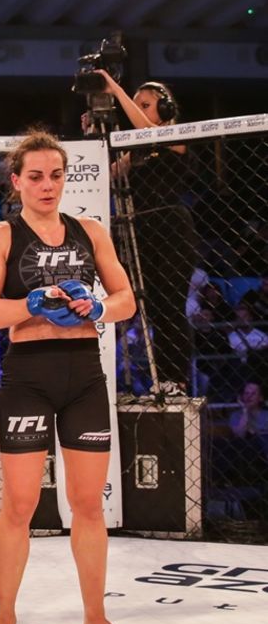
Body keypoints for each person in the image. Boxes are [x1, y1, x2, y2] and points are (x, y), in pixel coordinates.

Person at [0, 129, 136, 624]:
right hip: (29, 376)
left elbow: (127, 297)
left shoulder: (89, 231)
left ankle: (96, 618)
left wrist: (98, 307)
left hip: (84, 374)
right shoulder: (1, 236)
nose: (48, 185)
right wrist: (30, 304)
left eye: (57, 175)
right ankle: (4, 621)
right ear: (17, 181)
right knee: (19, 505)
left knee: (87, 504)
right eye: (37, 176)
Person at [95, 69, 196, 392]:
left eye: (146, 104)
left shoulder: (176, 136)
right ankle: (158, 379)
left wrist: (115, 88)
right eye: (137, 104)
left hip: (171, 227)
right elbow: (105, 174)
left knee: (170, 304)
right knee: (150, 307)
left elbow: (150, 133)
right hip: (140, 227)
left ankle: (176, 379)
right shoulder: (135, 149)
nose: (138, 110)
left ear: (165, 108)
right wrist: (94, 133)